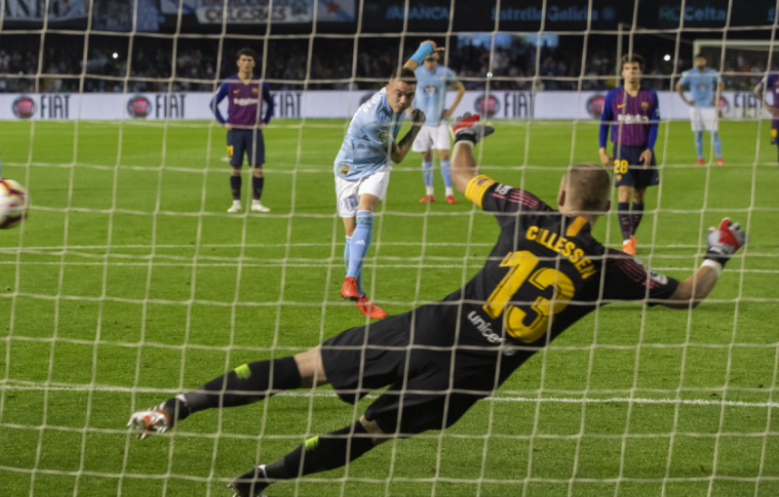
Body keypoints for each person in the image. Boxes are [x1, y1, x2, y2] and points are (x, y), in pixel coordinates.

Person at [128, 113, 745, 497]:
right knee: (370, 430)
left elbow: (461, 176)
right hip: (474, 372)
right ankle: (261, 480)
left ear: (561, 193)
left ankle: (177, 406)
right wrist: (718, 251)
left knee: (306, 366)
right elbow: (689, 295)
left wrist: (466, 133)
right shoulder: (611, 266)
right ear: (607, 208)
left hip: (434, 326)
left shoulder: (527, 210)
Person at [332, 40, 441, 319]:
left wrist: (424, 49)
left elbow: (407, 68)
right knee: (350, 235)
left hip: (376, 168)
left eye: (409, 96)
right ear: (388, 89)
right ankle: (359, 294)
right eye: (399, 95)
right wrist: (416, 126)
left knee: (366, 213)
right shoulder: (375, 120)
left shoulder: (396, 85)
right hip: (347, 169)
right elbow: (399, 156)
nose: (403, 101)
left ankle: (350, 282)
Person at [598, 54, 660, 256]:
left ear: (640, 71)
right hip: (621, 151)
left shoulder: (650, 95)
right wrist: (602, 150)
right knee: (624, 192)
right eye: (628, 68)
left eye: (635, 68)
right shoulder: (613, 96)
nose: (631, 72)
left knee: (639, 196)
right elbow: (604, 124)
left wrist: (649, 149)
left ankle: (631, 234)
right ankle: (626, 241)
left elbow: (654, 125)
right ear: (622, 71)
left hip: (643, 151)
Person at [212, 48, 275, 213]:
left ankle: (256, 203)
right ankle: (236, 203)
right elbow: (213, 103)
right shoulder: (229, 83)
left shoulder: (261, 83)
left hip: (254, 132)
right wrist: (223, 122)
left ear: (254, 63)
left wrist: (265, 121)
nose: (246, 63)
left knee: (258, 167)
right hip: (234, 133)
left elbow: (271, 104)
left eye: (249, 60)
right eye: (244, 60)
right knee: (235, 167)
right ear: (238, 63)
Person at [411, 51, 465, 204]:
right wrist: (409, 109)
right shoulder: (416, 73)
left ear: (437, 59)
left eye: (433, 60)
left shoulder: (444, 72)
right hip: (421, 123)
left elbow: (460, 88)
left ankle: (449, 193)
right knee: (426, 156)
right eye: (428, 60)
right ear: (424, 60)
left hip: (439, 122)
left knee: (444, 155)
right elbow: (402, 89)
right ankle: (429, 193)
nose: (431, 63)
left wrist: (451, 110)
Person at [677, 54, 725, 166]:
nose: (700, 62)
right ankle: (700, 159)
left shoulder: (712, 72)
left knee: (714, 133)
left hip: (709, 108)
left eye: (702, 60)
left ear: (705, 61)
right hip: (695, 108)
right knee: (698, 134)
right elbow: (678, 86)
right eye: (698, 60)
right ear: (695, 62)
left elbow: (721, 84)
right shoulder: (689, 73)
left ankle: (719, 158)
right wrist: (685, 100)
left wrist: (716, 98)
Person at [753, 70, 779, 163]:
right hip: (777, 117)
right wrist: (767, 106)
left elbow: (756, 91)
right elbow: (756, 91)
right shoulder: (773, 76)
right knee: (777, 141)